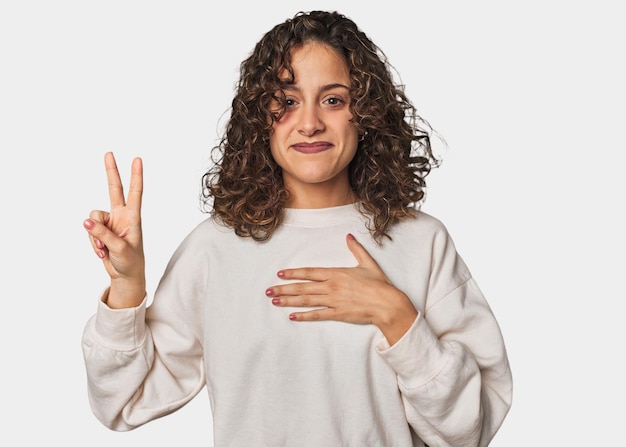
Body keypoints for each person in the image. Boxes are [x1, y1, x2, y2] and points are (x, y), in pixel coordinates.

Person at [82, 10, 512, 447]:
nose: (309, 123)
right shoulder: (214, 248)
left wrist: (396, 316)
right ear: (259, 118)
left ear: (364, 113)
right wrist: (127, 287)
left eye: (333, 99)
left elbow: (470, 428)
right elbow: (123, 401)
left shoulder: (422, 242)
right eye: (286, 101)